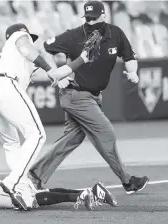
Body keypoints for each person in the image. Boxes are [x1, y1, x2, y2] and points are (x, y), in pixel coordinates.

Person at [28, 1, 149, 195]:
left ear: (103, 15)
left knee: (71, 139)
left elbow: (129, 56)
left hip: (93, 96)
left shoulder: (115, 34)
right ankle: (127, 181)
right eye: (87, 18)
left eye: (93, 18)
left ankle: (34, 176)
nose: (90, 22)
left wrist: (132, 72)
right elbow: (44, 48)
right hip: (76, 95)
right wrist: (56, 74)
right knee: (106, 133)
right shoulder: (74, 35)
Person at [0, 23, 91, 210]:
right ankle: (13, 182)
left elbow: (46, 64)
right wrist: (52, 68)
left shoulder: (17, 59)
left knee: (11, 143)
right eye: (29, 36)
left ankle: (19, 186)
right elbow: (26, 47)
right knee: (37, 135)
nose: (31, 39)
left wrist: (61, 73)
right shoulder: (18, 37)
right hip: (4, 85)